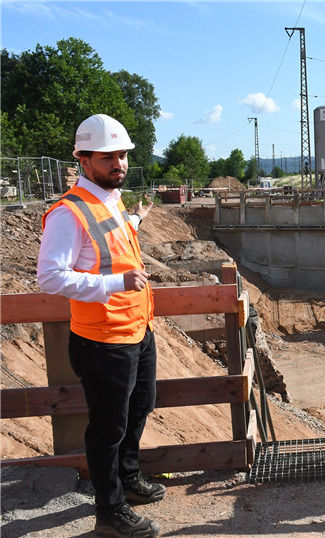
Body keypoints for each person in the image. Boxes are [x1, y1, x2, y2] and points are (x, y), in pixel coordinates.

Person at [38, 114, 164, 538]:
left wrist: (137, 221)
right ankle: (109, 512)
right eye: (109, 156)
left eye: (123, 155)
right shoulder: (67, 213)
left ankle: (128, 479)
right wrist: (115, 282)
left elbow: (107, 242)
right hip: (103, 338)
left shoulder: (110, 200)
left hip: (135, 328)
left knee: (141, 406)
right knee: (107, 427)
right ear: (84, 159)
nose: (120, 163)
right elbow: (50, 277)